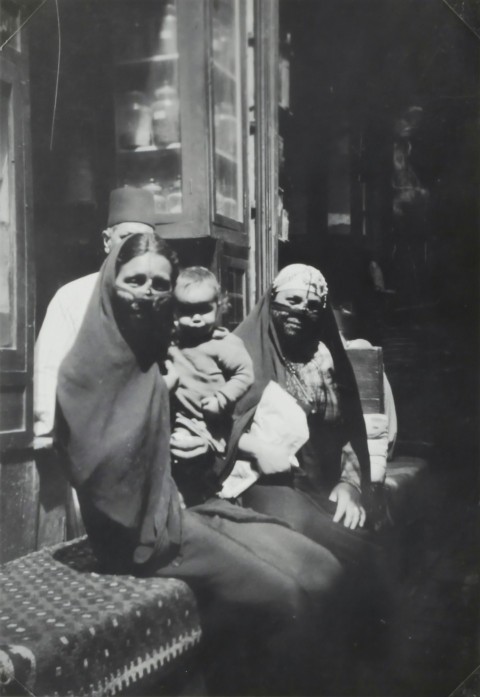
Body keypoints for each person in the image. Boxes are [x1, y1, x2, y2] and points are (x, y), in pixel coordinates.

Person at [56, 234, 350, 696]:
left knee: (322, 568)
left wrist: (197, 446)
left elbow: (204, 439)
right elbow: (102, 478)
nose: (147, 293)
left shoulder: (156, 355)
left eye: (159, 284)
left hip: (183, 510)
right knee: (285, 598)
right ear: (111, 284)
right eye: (135, 281)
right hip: (140, 539)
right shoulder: (84, 370)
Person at [34, 186, 156, 446]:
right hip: (85, 436)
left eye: (145, 239)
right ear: (106, 240)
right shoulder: (72, 297)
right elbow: (47, 369)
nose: (134, 246)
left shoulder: (159, 296)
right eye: (126, 236)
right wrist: (48, 431)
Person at [168, 266, 254, 504]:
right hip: (181, 417)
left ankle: (204, 498)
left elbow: (244, 373)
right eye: (187, 310)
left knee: (198, 461)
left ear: (219, 305)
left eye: (204, 309)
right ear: (174, 310)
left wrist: (221, 399)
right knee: (179, 451)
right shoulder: (172, 341)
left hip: (212, 421)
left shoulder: (224, 343)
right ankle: (187, 499)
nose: (196, 318)